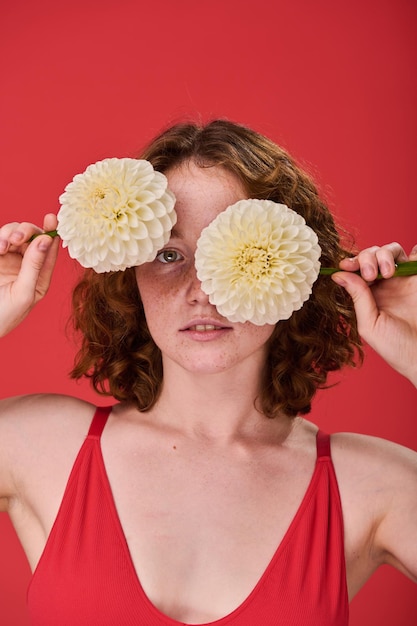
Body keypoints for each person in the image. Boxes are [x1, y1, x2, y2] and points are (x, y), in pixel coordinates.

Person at [0, 119, 416, 626]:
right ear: (129, 272)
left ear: (295, 266)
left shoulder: (372, 484)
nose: (202, 289)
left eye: (236, 256)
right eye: (169, 254)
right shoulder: (38, 445)